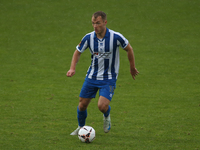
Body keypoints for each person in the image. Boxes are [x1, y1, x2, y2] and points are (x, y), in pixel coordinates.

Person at [67, 11, 139, 135]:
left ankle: (106, 116)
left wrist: (132, 67)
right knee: (82, 105)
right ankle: (81, 128)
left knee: (102, 106)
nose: (95, 26)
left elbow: (129, 49)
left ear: (105, 22)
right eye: (93, 23)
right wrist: (72, 68)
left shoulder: (115, 37)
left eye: (98, 23)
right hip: (92, 77)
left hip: (108, 78)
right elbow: (77, 52)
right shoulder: (88, 37)